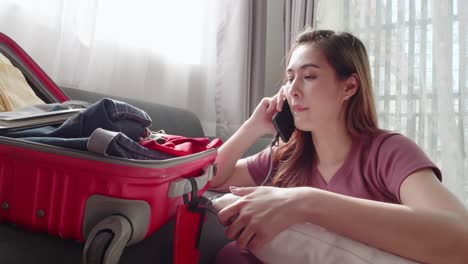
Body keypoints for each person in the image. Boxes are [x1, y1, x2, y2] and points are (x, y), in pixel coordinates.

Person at [209, 29, 468, 264]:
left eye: (309, 76)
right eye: (290, 79)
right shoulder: (287, 157)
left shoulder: (388, 152)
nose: (293, 90)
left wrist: (307, 201)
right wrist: (252, 128)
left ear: (349, 86)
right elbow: (211, 178)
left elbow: (460, 238)